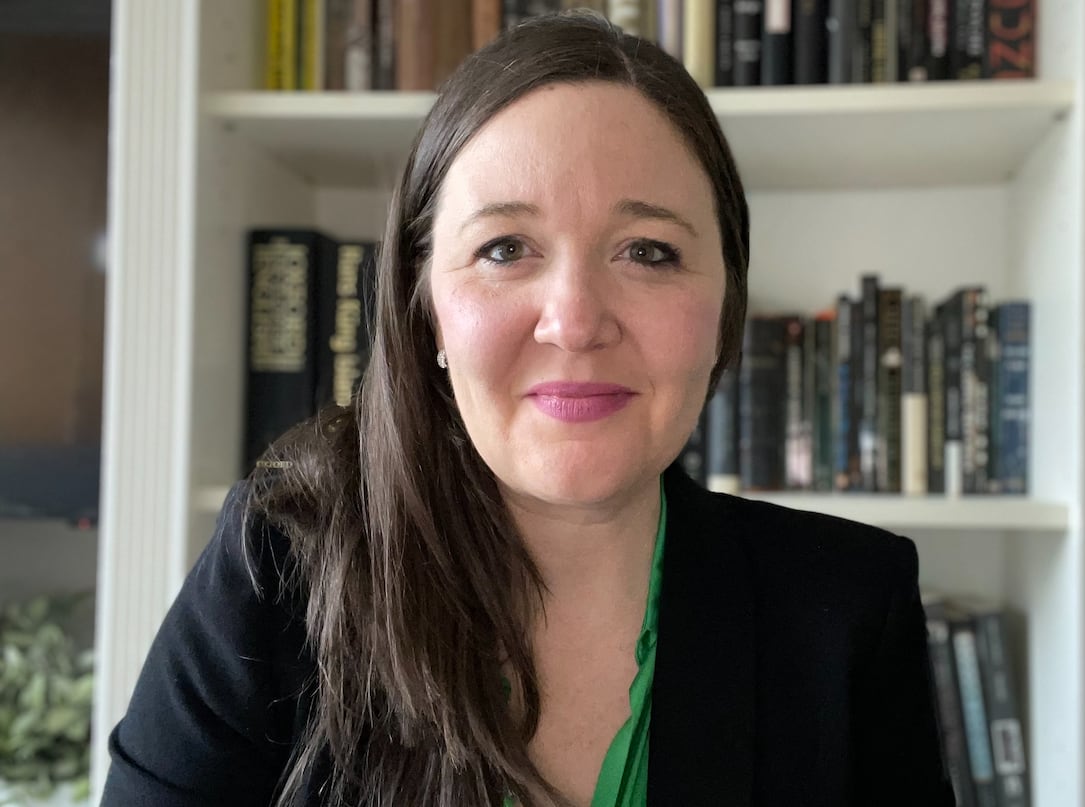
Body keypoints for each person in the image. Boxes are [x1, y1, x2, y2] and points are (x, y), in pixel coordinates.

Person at [102, 11, 953, 807]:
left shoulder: (849, 607)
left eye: (649, 251)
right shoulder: (281, 563)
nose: (576, 321)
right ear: (424, 306)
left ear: (726, 306)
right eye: (505, 248)